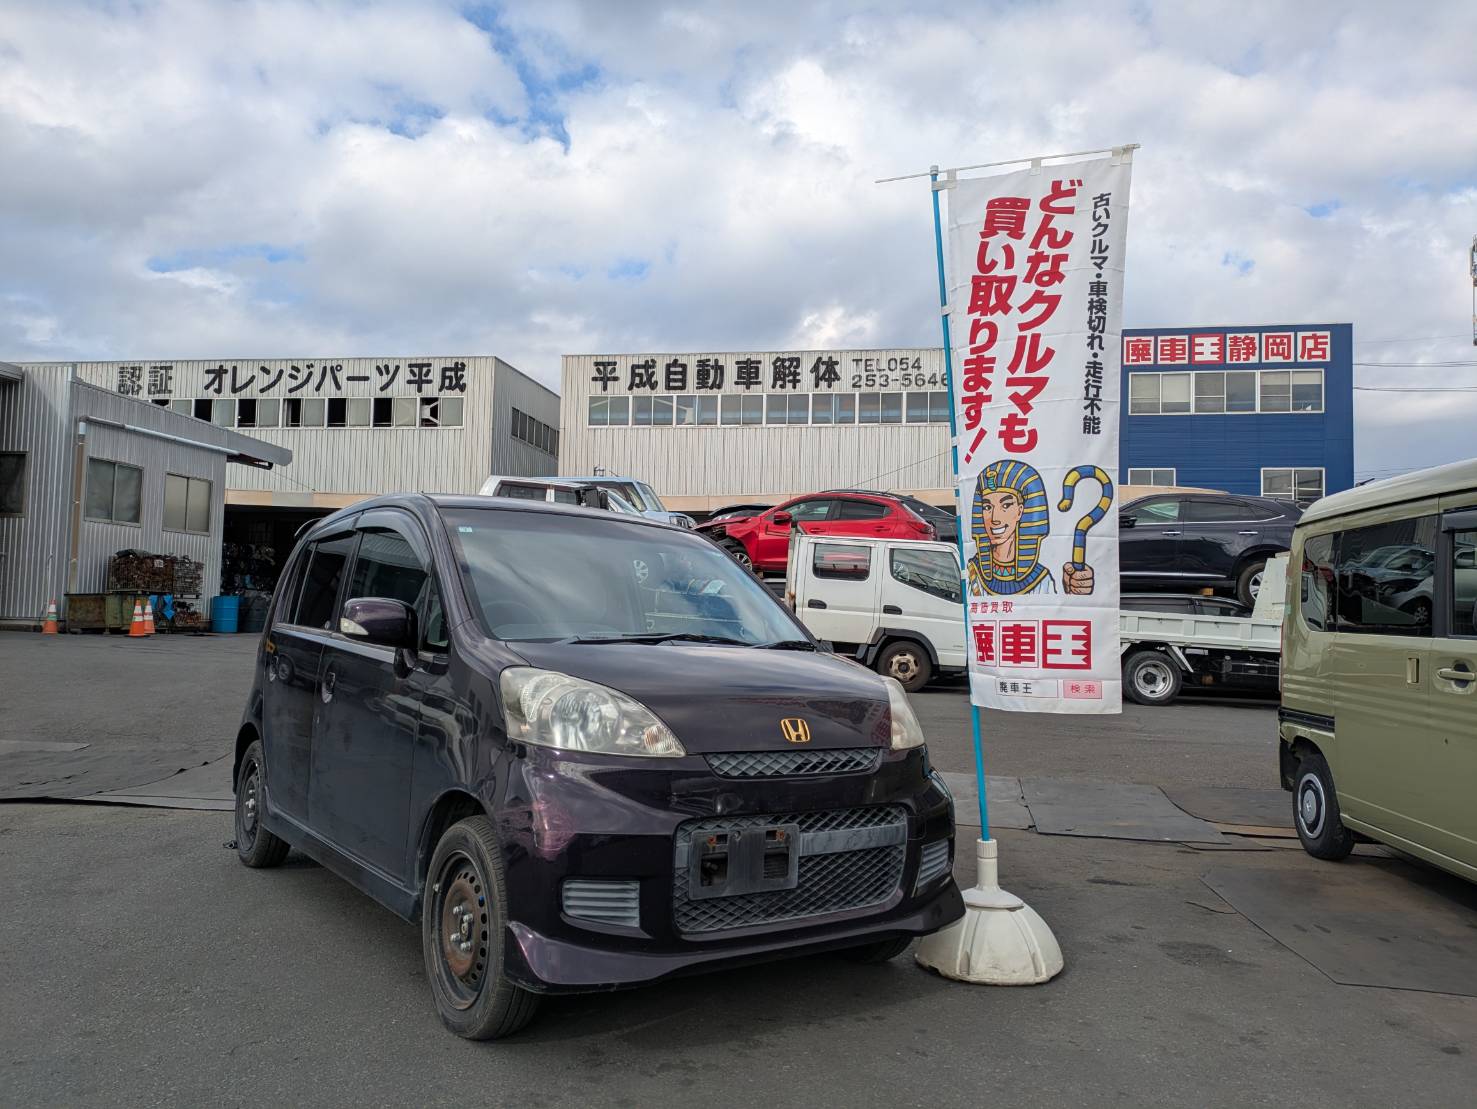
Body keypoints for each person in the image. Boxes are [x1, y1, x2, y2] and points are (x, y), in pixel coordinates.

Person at [967, 459, 1094, 597]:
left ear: (1020, 511)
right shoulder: (972, 572)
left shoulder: (1042, 580)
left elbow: (1052, 614)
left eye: (1006, 505)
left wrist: (1072, 593)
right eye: (987, 507)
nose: (994, 518)